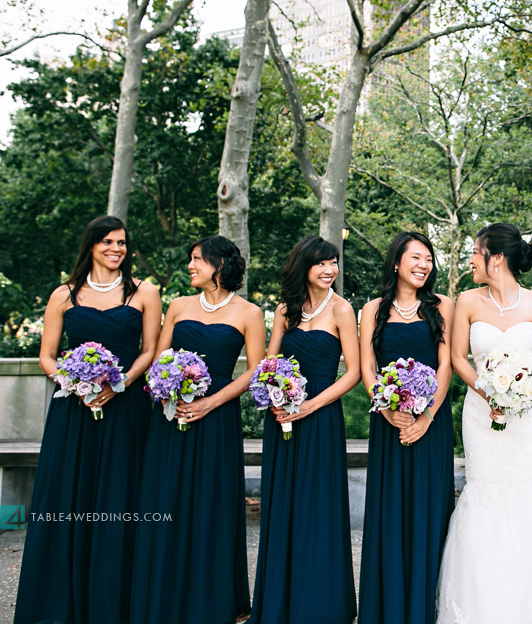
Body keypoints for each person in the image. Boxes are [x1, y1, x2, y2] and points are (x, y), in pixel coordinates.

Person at [15, 216, 161, 624]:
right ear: (92, 245)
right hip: (73, 409)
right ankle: (60, 600)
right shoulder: (63, 294)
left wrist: (120, 383)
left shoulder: (145, 292)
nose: (117, 248)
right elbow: (47, 354)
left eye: (122, 243)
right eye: (108, 242)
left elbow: (149, 350)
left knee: (122, 496)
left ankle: (116, 601)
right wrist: (72, 383)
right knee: (69, 496)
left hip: (126, 408)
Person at [131, 235, 265, 624]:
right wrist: (168, 390)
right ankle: (162, 593)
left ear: (219, 266)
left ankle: (211, 598)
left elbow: (255, 371)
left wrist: (210, 401)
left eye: (196, 260)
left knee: (211, 503)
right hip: (170, 418)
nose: (190, 266)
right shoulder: (178, 306)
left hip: (217, 420)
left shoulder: (249, 313)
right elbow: (158, 358)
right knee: (165, 499)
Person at [437, 222, 532, 624]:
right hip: (482, 415)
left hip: (528, 419)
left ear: (496, 258)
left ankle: (531, 604)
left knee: (524, 493)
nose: (470, 261)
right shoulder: (468, 301)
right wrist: (488, 393)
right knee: (483, 493)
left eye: (474, 253)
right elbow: (459, 358)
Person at [249, 236, 360, 624]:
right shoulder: (284, 310)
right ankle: (279, 602)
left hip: (321, 417)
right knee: (283, 506)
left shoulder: (343, 310)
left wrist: (310, 405)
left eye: (334, 263)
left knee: (318, 507)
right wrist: (276, 396)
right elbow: (269, 362)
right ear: (304, 267)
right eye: (322, 264)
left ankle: (320, 604)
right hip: (281, 418)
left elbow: (356, 373)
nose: (330, 270)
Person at [357, 232, 455, 624]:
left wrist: (427, 415)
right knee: (390, 509)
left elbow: (446, 365)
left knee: (428, 509)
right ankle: (388, 605)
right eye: (416, 257)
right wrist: (386, 410)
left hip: (431, 422)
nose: (423, 265)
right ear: (396, 262)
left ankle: (423, 605)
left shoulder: (443, 305)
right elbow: (367, 366)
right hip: (388, 421)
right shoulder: (372, 309)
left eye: (429, 258)